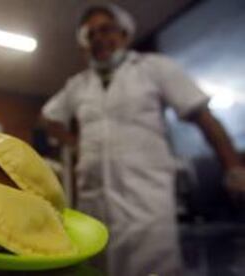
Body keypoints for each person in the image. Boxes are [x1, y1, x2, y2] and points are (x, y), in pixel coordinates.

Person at [41, 4, 245, 228]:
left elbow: (202, 116)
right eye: (91, 34)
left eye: (106, 29)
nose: (98, 38)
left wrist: (234, 169)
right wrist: (77, 144)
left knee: (152, 263)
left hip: (147, 207)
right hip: (93, 208)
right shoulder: (77, 85)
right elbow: (49, 118)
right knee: (94, 263)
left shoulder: (154, 68)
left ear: (124, 34)